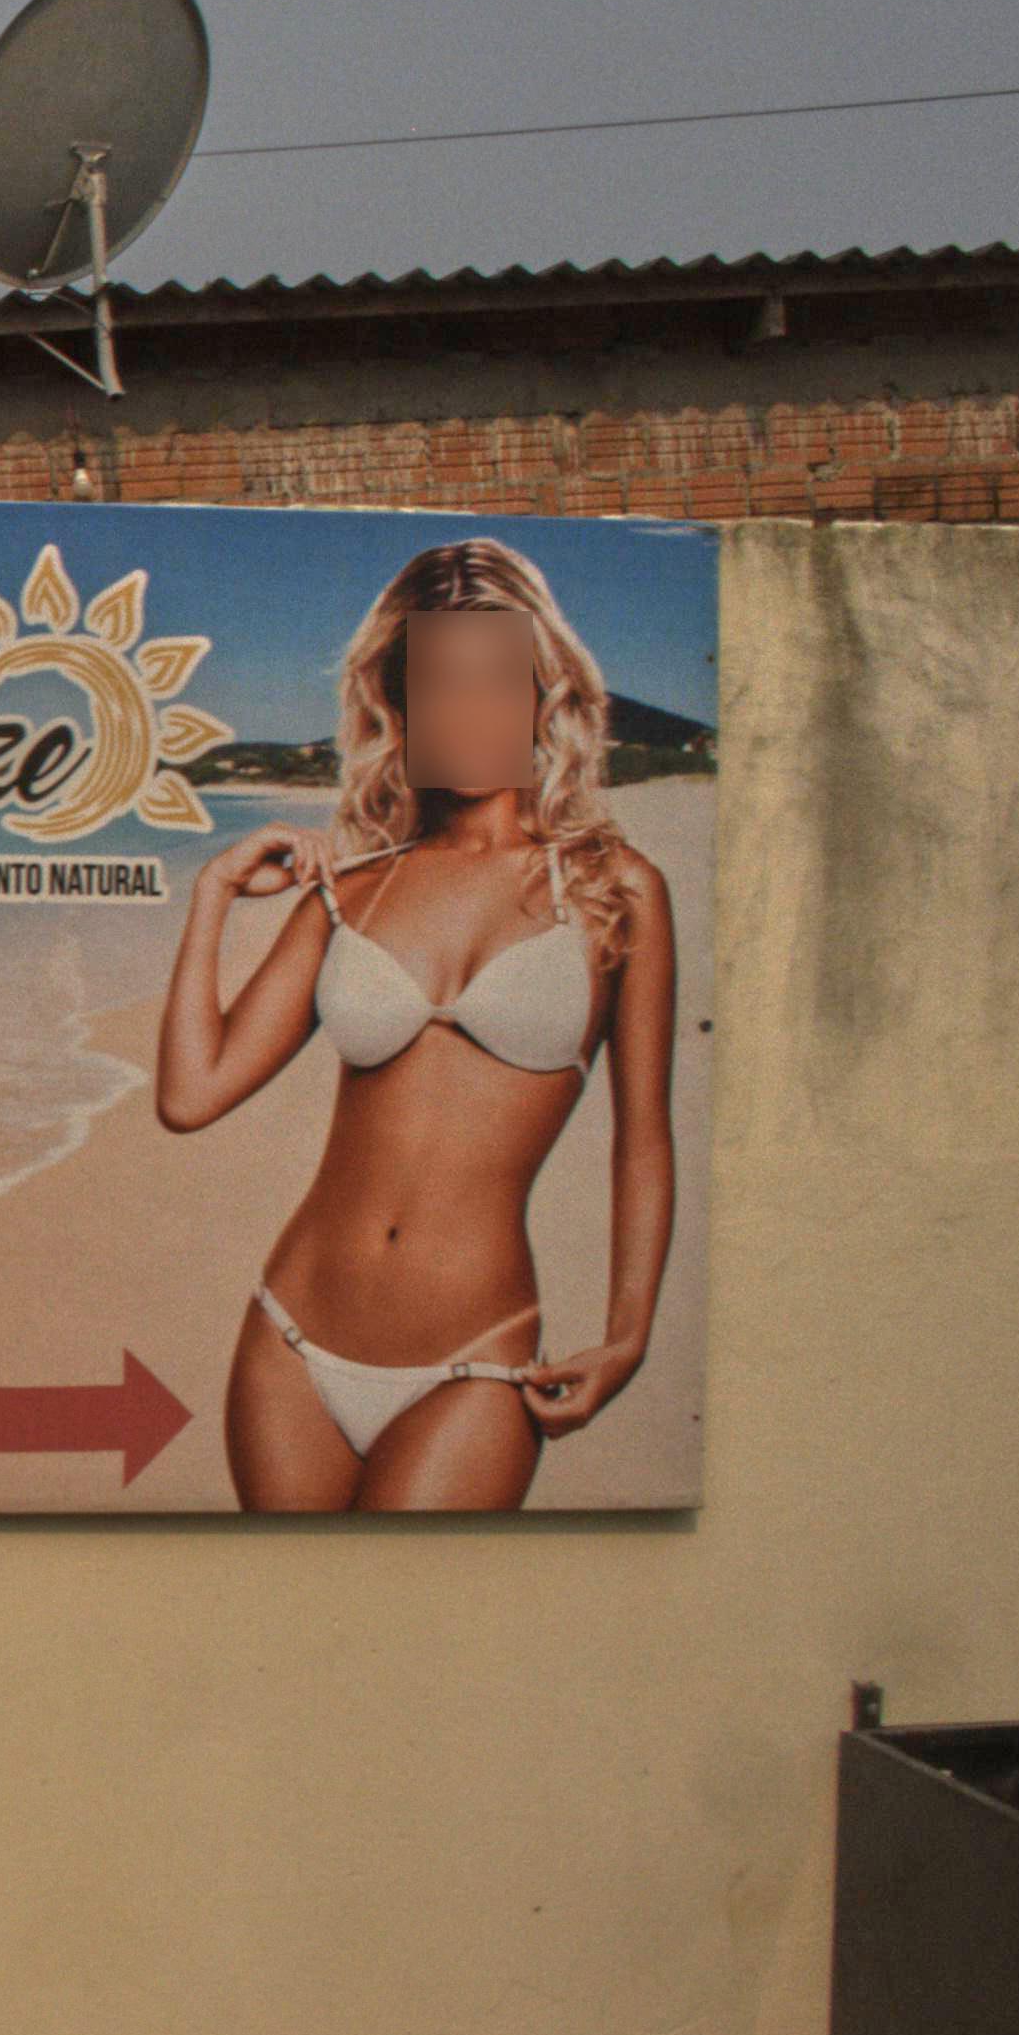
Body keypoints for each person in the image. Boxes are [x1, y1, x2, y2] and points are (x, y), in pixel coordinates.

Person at [151, 539, 677, 1511]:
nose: (467, 709)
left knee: (422, 1606)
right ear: (399, 705)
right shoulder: (356, 889)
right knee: (281, 1609)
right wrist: (211, 895)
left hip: (474, 1358)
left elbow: (642, 1139)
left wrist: (628, 1335)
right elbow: (190, 1095)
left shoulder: (614, 891)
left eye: (493, 680)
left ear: (542, 691)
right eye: (438, 684)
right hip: (290, 1338)